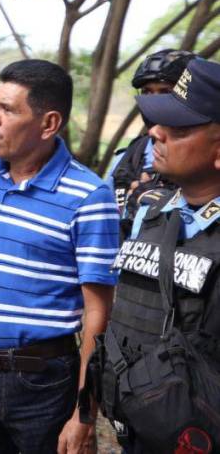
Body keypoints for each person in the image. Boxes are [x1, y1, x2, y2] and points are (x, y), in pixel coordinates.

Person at [0, 59, 120, 453]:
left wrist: (83, 415)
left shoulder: (89, 197)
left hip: (46, 382)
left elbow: (98, 315)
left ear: (49, 124)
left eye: (8, 110)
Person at [90, 58, 220, 452]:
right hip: (144, 425)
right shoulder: (150, 212)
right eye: (158, 122)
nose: (155, 134)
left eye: (178, 129)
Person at [107, 49, 201, 235]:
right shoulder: (126, 159)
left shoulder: (207, 157)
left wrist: (167, 203)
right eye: (147, 92)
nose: (153, 102)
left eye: (166, 92)